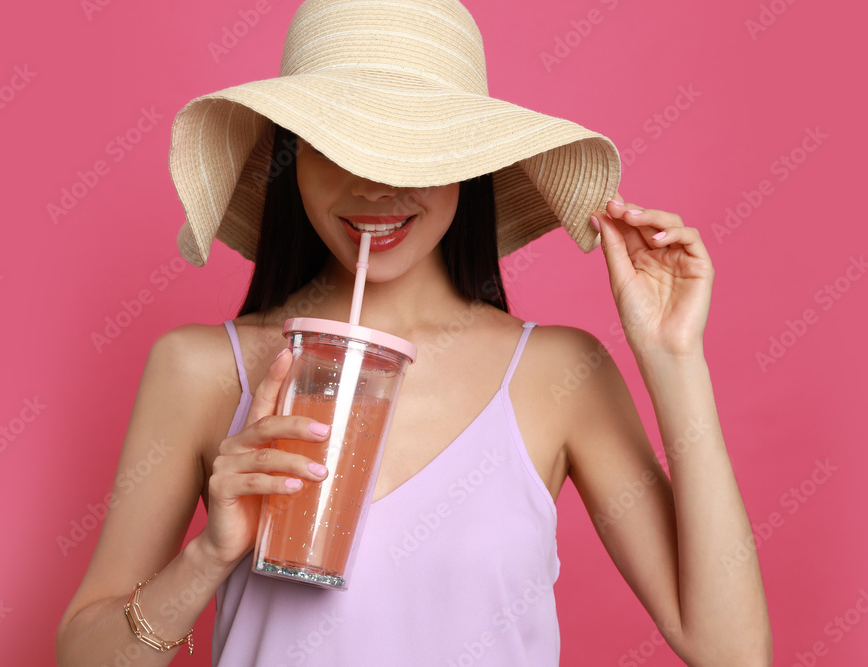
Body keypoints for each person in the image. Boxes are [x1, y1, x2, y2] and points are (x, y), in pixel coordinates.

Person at [56, 0, 772, 665]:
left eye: (415, 146)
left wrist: (674, 358)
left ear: (469, 161)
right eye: (341, 143)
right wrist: (209, 554)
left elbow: (730, 652)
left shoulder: (559, 375)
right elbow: (84, 652)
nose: (374, 184)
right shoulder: (200, 368)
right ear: (290, 154)